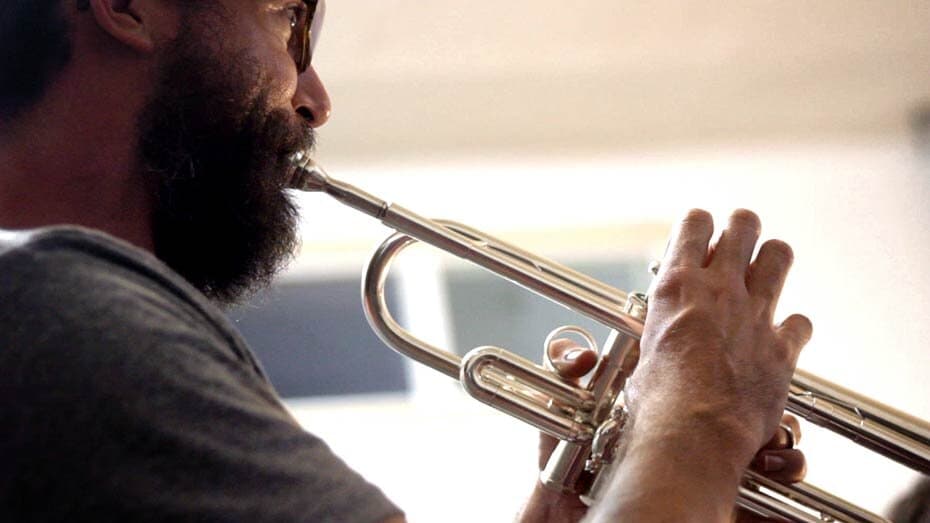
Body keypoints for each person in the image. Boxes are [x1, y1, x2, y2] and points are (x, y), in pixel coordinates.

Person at [0, 1, 811, 521]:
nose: (314, 97)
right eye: (288, 17)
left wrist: (628, 491)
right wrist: (698, 425)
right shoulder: (58, 316)